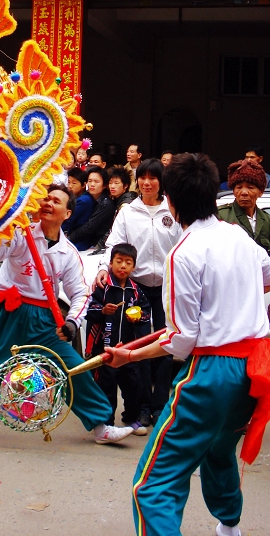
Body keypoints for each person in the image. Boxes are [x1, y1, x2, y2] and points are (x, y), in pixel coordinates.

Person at [105, 152, 270, 536]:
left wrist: (131, 354)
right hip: (252, 371)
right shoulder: (238, 236)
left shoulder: (183, 253)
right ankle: (229, 527)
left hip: (212, 374)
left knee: (153, 485)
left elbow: (181, 339)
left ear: (171, 201)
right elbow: (266, 273)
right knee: (218, 449)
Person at [0, 184, 133, 445]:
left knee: (74, 369)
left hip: (44, 322)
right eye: (46, 199)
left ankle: (101, 426)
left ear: (67, 213)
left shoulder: (68, 252)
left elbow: (80, 293)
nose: (48, 203)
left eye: (56, 201)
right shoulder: (21, 233)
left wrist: (72, 323)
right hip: (7, 314)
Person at [96, 158, 181, 426]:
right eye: (142, 177)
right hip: (138, 289)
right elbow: (113, 245)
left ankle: (160, 407)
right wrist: (103, 267)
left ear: (161, 181)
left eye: (153, 178)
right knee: (141, 345)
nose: (147, 183)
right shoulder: (128, 212)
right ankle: (143, 407)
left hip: (167, 288)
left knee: (167, 345)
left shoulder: (173, 210)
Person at [86, 243, 151, 435]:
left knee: (133, 385)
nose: (123, 266)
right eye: (119, 261)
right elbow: (89, 310)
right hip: (105, 348)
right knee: (106, 387)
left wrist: (138, 317)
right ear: (111, 263)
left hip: (128, 349)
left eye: (128, 262)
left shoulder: (135, 290)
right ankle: (107, 424)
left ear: (134, 267)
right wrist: (103, 311)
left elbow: (146, 312)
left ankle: (131, 419)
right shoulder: (103, 287)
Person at [217, 159, 270, 254]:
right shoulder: (220, 216)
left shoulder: (266, 220)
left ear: (261, 192)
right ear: (234, 191)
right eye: (239, 187)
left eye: (250, 187)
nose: (244, 192)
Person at [89, 167, 137, 255]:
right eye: (110, 183)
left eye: (116, 183)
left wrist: (98, 246)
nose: (112, 186)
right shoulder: (116, 199)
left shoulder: (126, 204)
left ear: (125, 186)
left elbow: (114, 228)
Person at [67, 167, 116, 251]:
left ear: (104, 185)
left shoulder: (105, 204)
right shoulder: (90, 197)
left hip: (97, 245)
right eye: (90, 181)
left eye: (96, 182)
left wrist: (68, 239)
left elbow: (89, 227)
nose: (92, 184)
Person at [62, 167, 94, 236]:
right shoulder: (80, 197)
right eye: (69, 182)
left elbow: (68, 220)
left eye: (74, 183)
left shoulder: (83, 200)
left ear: (83, 185)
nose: (70, 186)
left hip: (78, 237)